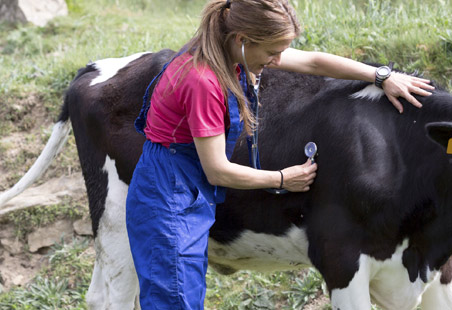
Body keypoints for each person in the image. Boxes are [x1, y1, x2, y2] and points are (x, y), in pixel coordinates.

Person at [125, 0, 435, 308]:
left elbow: (313, 63)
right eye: (273, 52)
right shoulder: (203, 82)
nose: (277, 61)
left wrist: (380, 76)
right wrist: (283, 179)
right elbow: (217, 170)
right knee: (176, 298)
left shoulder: (222, 48)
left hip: (185, 192)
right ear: (243, 40)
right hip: (169, 197)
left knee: (182, 294)